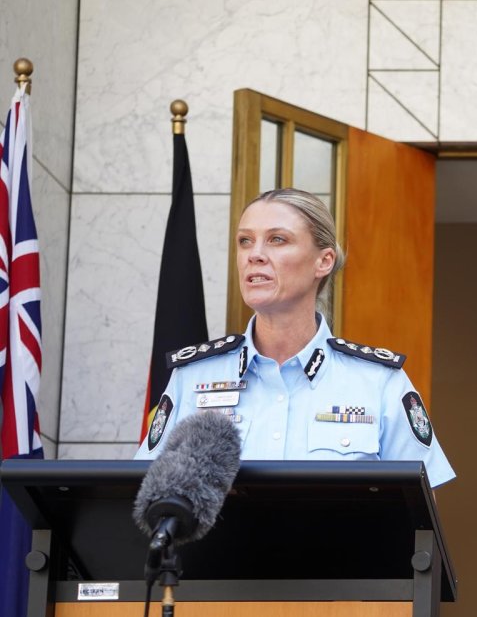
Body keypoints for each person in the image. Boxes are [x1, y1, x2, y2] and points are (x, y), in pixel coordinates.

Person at [135, 188, 454, 486]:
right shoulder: (193, 376)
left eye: (277, 239)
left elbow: (419, 512)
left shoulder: (379, 382)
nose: (254, 255)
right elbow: (149, 496)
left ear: (323, 261)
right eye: (245, 241)